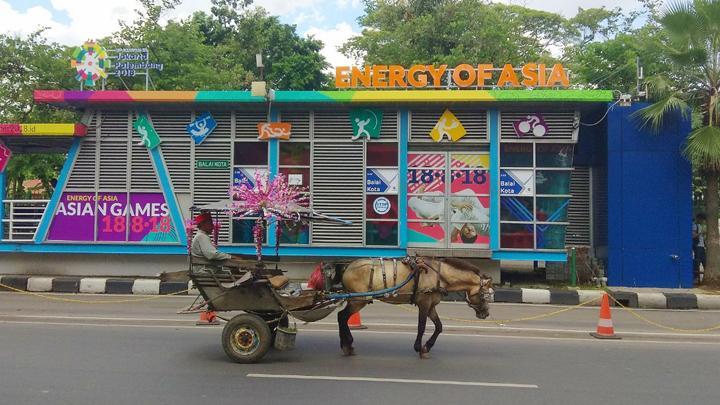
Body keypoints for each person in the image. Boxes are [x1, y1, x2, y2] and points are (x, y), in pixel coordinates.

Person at [693, 213, 706, 283]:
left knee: (704, 262)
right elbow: (693, 235)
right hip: (697, 247)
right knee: (697, 262)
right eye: (702, 220)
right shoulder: (694, 225)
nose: (703, 221)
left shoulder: (700, 226)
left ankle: (702, 278)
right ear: (699, 218)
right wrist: (701, 233)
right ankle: (696, 278)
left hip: (702, 246)